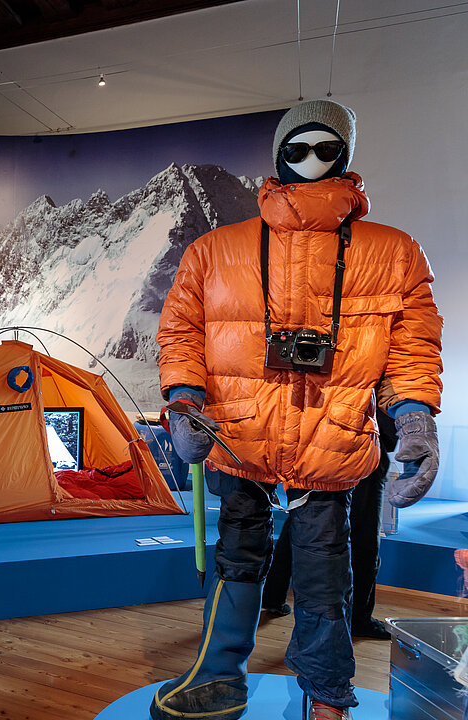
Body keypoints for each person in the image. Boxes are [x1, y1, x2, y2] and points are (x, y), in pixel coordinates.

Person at [150, 100, 442, 720]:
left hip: (331, 441)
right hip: (238, 436)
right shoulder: (213, 251)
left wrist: (415, 417)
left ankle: (327, 692)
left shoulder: (394, 253)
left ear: (348, 156)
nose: (311, 161)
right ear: (278, 152)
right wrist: (182, 402)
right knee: (236, 553)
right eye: (299, 147)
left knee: (323, 569)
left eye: (327, 149)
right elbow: (181, 333)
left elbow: (413, 345)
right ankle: (217, 674)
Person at [262, 409, 398, 640]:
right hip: (358, 449)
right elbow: (385, 414)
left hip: (311, 447)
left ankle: (273, 595)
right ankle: (358, 619)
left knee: (299, 520)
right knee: (363, 538)